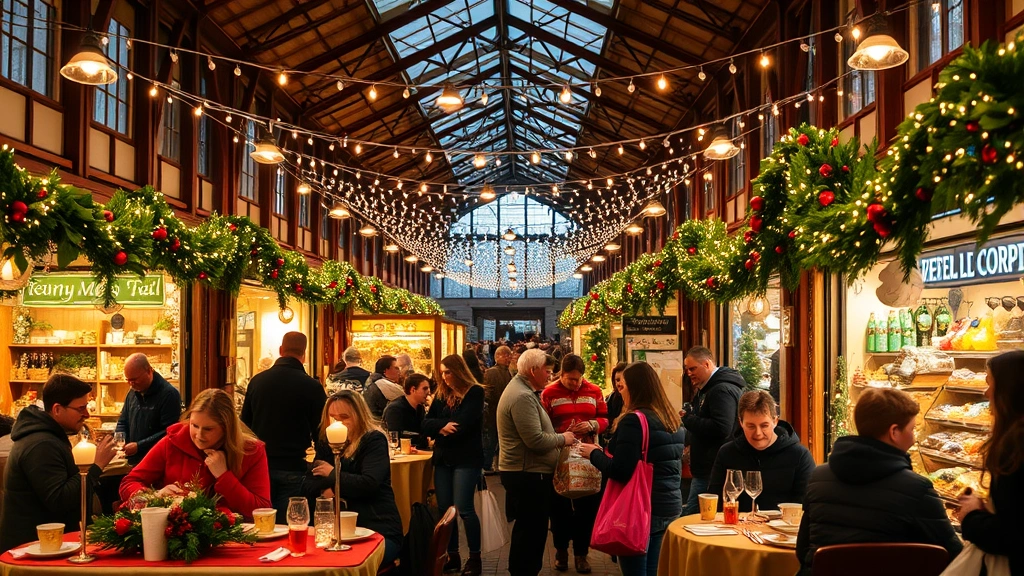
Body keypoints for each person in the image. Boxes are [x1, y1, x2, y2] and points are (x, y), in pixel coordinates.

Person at [795, 387, 962, 576]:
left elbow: (803, 551)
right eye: (912, 429)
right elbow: (955, 557)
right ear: (894, 432)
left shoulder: (819, 477)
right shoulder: (917, 489)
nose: (914, 439)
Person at [578, 362, 685, 576]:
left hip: (642, 509)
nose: (621, 391)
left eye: (623, 386)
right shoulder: (672, 419)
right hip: (670, 506)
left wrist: (593, 453)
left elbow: (620, 471)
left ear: (634, 388)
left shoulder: (633, 421)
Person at [0, 375, 116, 552]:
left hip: (49, 545)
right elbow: (60, 500)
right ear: (57, 409)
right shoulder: (41, 445)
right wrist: (96, 466)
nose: (87, 414)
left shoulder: (48, 437)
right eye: (81, 408)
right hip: (36, 550)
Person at [121, 389, 270, 519]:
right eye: (194, 425)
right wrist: (156, 496)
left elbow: (262, 510)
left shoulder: (251, 451)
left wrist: (224, 477)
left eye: (208, 429)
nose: (199, 435)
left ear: (227, 428)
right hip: (177, 536)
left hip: (236, 538)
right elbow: (128, 483)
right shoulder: (173, 441)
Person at [497, 350, 576, 576]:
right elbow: (535, 440)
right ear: (533, 371)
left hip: (529, 472)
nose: (549, 376)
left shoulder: (524, 390)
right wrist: (563, 439)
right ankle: (524, 571)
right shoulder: (521, 396)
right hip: (527, 474)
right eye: (547, 371)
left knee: (531, 529)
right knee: (531, 530)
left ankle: (525, 570)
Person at [305, 391, 403, 566]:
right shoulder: (326, 442)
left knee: (346, 564)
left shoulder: (372, 440)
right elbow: (309, 484)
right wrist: (333, 486)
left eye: (344, 417)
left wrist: (331, 475)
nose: (337, 423)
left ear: (359, 416)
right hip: (333, 531)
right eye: (332, 418)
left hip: (375, 527)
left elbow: (368, 484)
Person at [241, 332, 326, 524]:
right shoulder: (312, 386)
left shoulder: (257, 381)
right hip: (293, 467)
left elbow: (244, 426)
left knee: (262, 524)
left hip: (259, 466)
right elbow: (321, 432)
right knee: (291, 525)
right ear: (304, 354)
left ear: (281, 350)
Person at [955, 350, 1024, 573]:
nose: (986, 393)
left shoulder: (1015, 450)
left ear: (1010, 390)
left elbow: (1011, 536)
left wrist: (972, 515)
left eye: (990, 383)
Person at [541, 354, 608, 573]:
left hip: (587, 457)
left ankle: (581, 554)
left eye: (579, 379)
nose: (576, 383)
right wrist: (561, 434)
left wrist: (592, 425)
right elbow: (542, 424)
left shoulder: (594, 391)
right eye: (571, 379)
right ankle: (561, 550)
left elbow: (605, 418)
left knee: (586, 508)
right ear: (562, 374)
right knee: (558, 507)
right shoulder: (549, 393)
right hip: (559, 457)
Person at [422, 355, 485, 576]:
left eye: (448, 372)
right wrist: (441, 427)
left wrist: (440, 431)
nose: (444, 377)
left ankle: (475, 558)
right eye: (442, 373)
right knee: (444, 509)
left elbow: (463, 425)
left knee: (464, 509)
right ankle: (452, 555)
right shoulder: (441, 393)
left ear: (458, 371)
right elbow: (425, 423)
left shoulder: (474, 392)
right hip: (443, 459)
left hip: (466, 459)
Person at [95, 354, 183, 513]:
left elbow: (170, 432)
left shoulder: (169, 394)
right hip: (131, 460)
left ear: (149, 371)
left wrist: (139, 446)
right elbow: (123, 420)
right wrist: (120, 438)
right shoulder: (132, 392)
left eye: (134, 379)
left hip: (155, 463)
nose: (131, 384)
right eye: (128, 380)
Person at [706, 389, 814, 512]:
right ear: (741, 423)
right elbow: (716, 501)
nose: (758, 433)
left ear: (775, 421)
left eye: (764, 426)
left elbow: (807, 505)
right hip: (737, 528)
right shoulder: (727, 453)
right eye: (751, 426)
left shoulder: (799, 456)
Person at [680, 346, 745, 515]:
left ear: (707, 364)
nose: (689, 373)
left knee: (694, 517)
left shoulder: (720, 390)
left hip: (712, 467)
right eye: (687, 369)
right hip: (710, 465)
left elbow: (722, 428)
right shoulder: (710, 389)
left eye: (693, 368)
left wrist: (688, 419)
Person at [482, 345, 513, 474]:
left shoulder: (507, 371)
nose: (509, 358)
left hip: (501, 410)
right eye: (506, 355)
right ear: (498, 356)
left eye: (509, 355)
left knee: (499, 438)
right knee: (492, 438)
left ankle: (496, 463)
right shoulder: (491, 372)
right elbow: (487, 393)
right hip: (493, 411)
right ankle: (487, 464)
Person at [382, 373, 430, 449]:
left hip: (418, 450)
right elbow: (395, 436)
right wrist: (423, 439)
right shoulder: (395, 409)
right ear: (413, 390)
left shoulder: (420, 408)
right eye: (425, 389)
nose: (428, 392)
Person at [603, 362, 627, 444]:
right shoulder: (613, 399)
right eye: (617, 380)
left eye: (623, 380)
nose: (619, 384)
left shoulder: (638, 401)